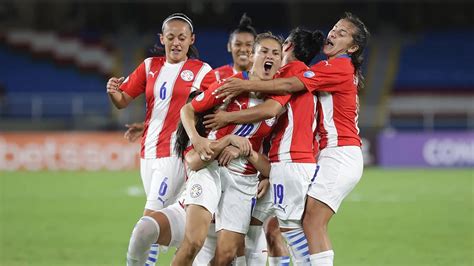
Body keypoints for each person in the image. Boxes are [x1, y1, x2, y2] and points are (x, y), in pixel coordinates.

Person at [213, 12, 370, 266]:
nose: (333, 33)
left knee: (307, 223)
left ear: (352, 47)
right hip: (310, 158)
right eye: (334, 28)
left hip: (323, 156)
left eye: (342, 34)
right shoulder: (325, 70)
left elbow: (279, 99)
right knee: (267, 223)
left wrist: (239, 90)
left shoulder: (326, 68)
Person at [204, 27, 325, 266]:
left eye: (277, 51)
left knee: (289, 229)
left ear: (287, 47)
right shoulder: (305, 75)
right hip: (284, 164)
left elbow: (270, 108)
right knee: (258, 224)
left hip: (292, 163)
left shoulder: (291, 73)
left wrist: (234, 100)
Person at [106, 13, 216, 266]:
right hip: (147, 154)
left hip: (174, 155)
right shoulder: (149, 66)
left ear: (191, 40)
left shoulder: (202, 71)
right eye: (170, 37)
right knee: (158, 223)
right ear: (161, 39)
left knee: (150, 220)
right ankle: (197, 251)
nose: (176, 42)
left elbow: (214, 106)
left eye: (181, 38)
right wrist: (113, 92)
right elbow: (123, 101)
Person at [172, 32, 283, 266]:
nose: (269, 57)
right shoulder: (229, 85)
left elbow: (271, 164)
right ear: (252, 56)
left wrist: (249, 153)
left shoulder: (279, 102)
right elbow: (188, 110)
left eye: (276, 53)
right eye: (264, 51)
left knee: (225, 256)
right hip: (210, 167)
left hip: (244, 180)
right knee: (193, 242)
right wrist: (197, 139)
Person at [214, 13, 257, 81]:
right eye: (238, 44)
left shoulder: (265, 76)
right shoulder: (217, 76)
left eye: (248, 45)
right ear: (229, 47)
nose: (243, 49)